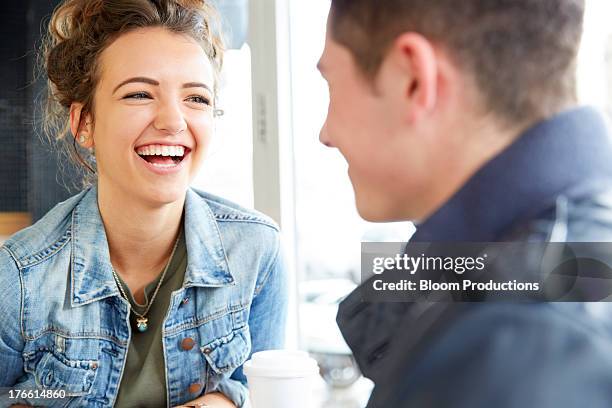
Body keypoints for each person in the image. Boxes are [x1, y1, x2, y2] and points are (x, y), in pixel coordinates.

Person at [318, 0, 612, 406]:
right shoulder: (528, 262)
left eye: (331, 85)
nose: (325, 133)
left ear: (412, 79)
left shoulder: (516, 352)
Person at [0, 1, 287, 407]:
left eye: (197, 99)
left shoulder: (257, 251)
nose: (173, 121)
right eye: (139, 94)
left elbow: (260, 386)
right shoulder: (18, 279)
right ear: (84, 123)